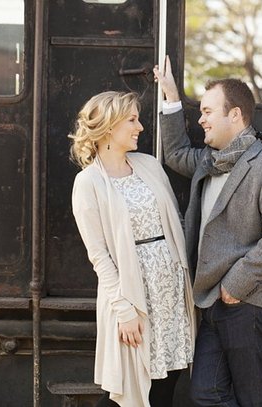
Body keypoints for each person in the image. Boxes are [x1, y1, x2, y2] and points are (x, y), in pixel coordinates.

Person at [153, 57, 262, 406]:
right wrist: (172, 97)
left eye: (207, 111)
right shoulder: (210, 160)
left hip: (249, 302)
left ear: (234, 115)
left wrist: (235, 285)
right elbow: (174, 154)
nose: (200, 119)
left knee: (251, 399)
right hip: (211, 302)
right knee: (205, 394)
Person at [69, 91, 196, 407]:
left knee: (167, 383)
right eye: (132, 120)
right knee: (128, 390)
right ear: (110, 126)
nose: (139, 126)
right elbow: (99, 255)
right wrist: (124, 311)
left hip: (170, 288)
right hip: (133, 294)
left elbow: (175, 221)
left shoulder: (149, 165)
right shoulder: (88, 183)